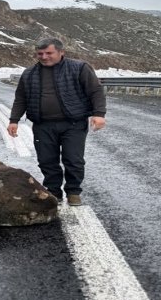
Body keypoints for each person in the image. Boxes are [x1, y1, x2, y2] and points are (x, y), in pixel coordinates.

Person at [7, 38, 106, 206]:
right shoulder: (29, 73)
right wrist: (14, 120)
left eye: (49, 53)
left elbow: (95, 91)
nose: (44, 57)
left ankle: (74, 192)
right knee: (47, 160)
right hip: (42, 125)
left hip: (73, 124)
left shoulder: (79, 68)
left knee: (73, 159)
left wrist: (99, 114)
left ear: (61, 52)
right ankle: (53, 192)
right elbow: (21, 98)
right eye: (40, 54)